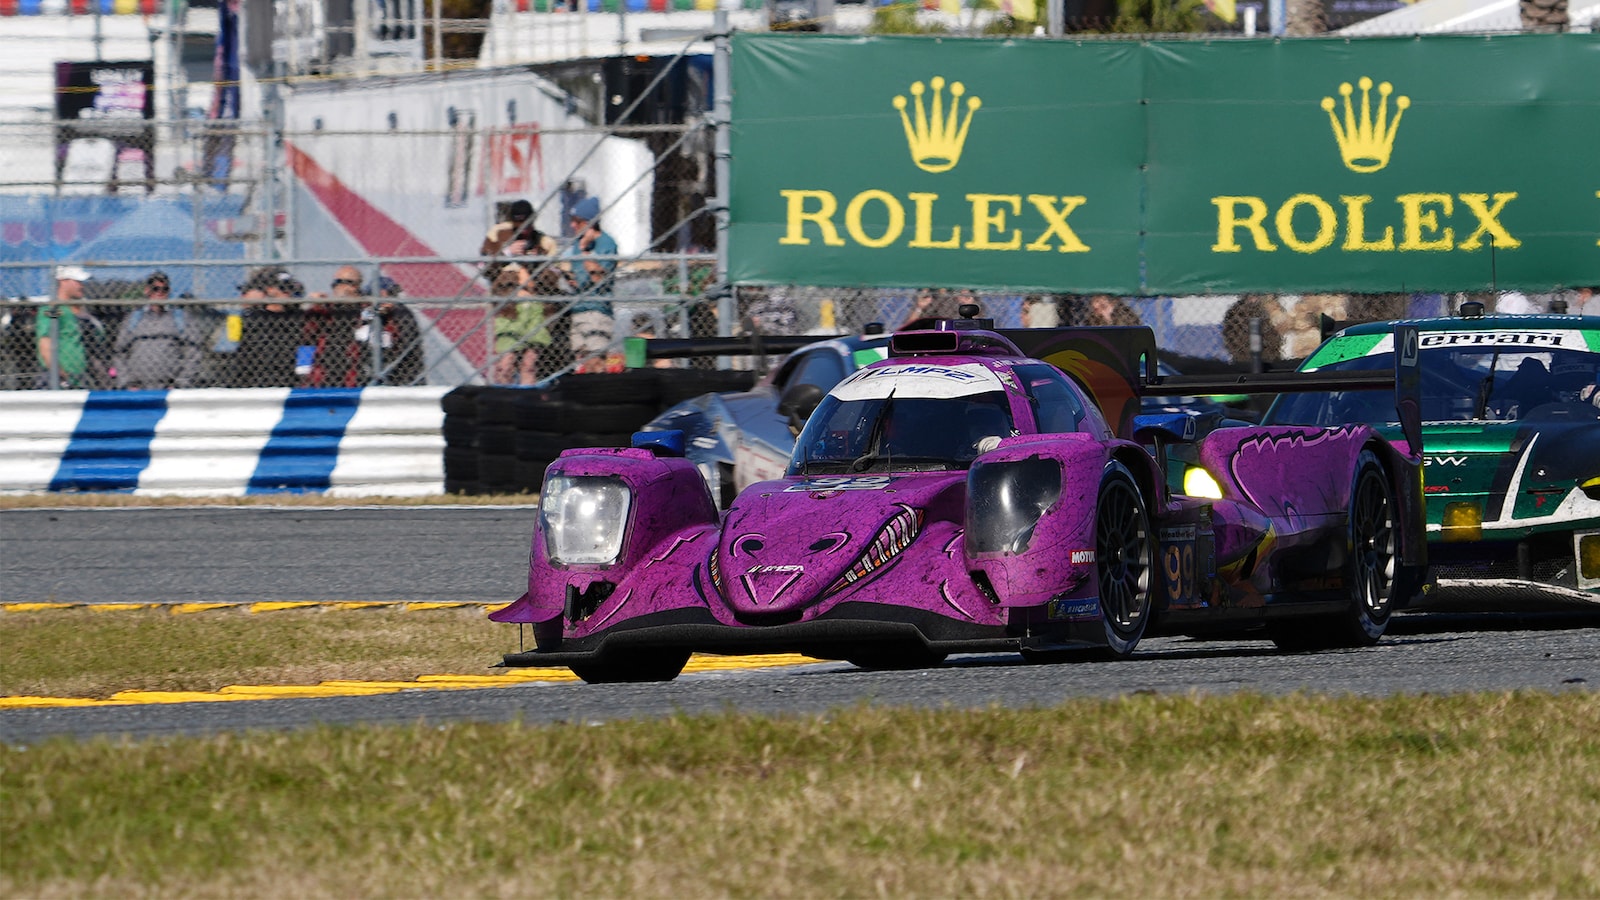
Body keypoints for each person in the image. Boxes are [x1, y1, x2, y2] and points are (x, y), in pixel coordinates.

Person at [111, 271, 202, 390]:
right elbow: (119, 352)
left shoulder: (181, 318)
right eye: (155, 289)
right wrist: (127, 383)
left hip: (169, 387)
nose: (160, 292)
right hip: (138, 388)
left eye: (165, 289)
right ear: (147, 291)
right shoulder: (133, 319)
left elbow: (194, 353)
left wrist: (181, 384)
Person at [561, 196, 618, 366]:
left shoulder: (606, 243)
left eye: (577, 221)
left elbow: (597, 278)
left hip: (597, 310)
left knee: (595, 361)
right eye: (572, 221)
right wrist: (570, 279)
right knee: (581, 361)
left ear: (589, 223)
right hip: (578, 308)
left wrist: (585, 250)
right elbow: (578, 278)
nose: (573, 225)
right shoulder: (577, 243)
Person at [37, 265, 111, 389]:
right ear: (63, 281)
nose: (81, 285)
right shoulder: (52, 309)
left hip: (78, 376)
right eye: (77, 281)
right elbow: (45, 343)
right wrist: (59, 373)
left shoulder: (78, 313)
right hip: (59, 377)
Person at [229, 266, 305, 388]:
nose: (287, 293)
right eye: (283, 289)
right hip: (254, 379)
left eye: (288, 289)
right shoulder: (253, 318)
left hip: (288, 378)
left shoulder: (297, 318)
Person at [298, 265, 365, 387]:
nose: (339, 287)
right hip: (325, 370)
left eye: (346, 282)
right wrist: (313, 306)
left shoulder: (366, 309)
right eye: (336, 282)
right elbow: (306, 333)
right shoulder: (325, 309)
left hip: (355, 370)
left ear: (357, 286)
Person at [356, 276, 425, 386]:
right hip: (369, 374)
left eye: (391, 294)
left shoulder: (402, 313)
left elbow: (407, 345)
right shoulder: (366, 314)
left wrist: (387, 313)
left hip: (402, 376)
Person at [490, 264, 551, 385]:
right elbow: (502, 321)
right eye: (523, 273)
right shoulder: (504, 296)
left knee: (528, 366)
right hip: (510, 334)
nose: (528, 276)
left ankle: (527, 391)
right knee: (506, 366)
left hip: (532, 334)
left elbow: (537, 319)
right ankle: (505, 391)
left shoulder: (533, 298)